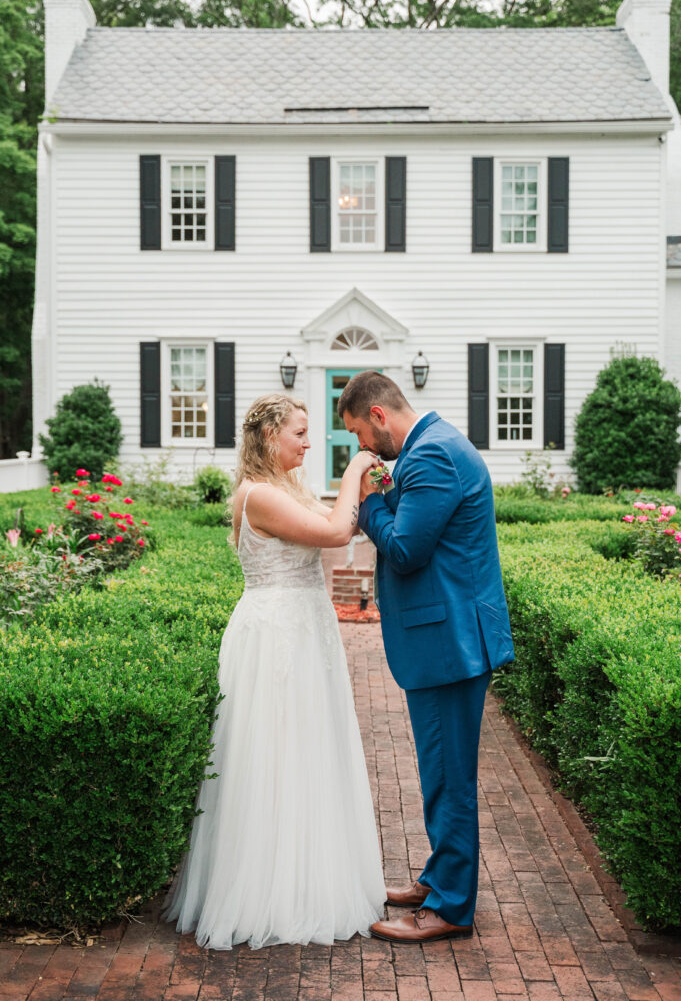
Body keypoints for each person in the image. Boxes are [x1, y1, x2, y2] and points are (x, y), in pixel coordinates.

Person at [163, 393, 386, 950]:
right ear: (269, 438)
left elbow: (340, 527)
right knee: (274, 753)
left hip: (305, 628)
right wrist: (358, 465)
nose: (310, 443)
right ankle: (268, 892)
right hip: (276, 635)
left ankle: (308, 877)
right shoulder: (259, 495)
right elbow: (336, 535)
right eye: (301, 434)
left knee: (308, 750)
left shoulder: (288, 489)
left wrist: (364, 500)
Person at [338, 371, 515, 944]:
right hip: (451, 638)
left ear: (380, 416)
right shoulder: (434, 447)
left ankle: (451, 909)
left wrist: (369, 504)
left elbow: (407, 549)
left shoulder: (431, 456)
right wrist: (387, 498)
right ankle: (439, 880)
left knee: (449, 778)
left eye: (360, 434)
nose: (363, 447)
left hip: (451, 643)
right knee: (442, 773)